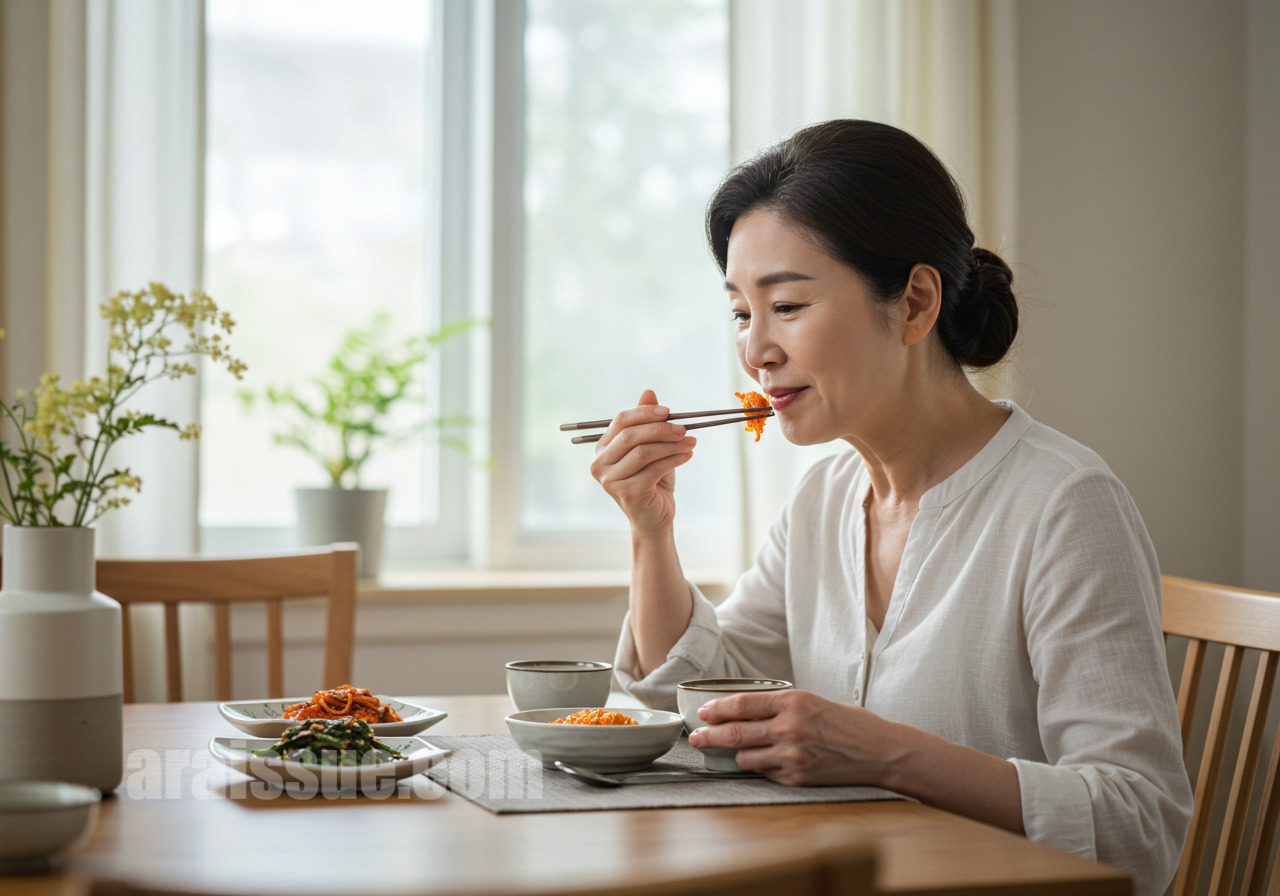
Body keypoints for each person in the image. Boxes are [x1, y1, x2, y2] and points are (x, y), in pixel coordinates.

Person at [588, 120, 1192, 894]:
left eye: (789, 306)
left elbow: (1141, 825)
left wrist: (881, 751)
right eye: (742, 312)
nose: (756, 351)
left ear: (913, 302)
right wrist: (651, 531)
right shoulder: (824, 498)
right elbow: (704, 697)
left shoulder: (1064, 505)